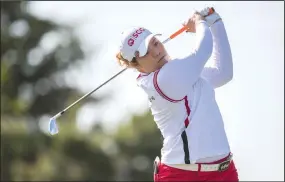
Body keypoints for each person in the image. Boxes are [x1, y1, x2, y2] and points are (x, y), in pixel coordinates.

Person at [115, 7, 238, 182]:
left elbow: (223, 73)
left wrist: (216, 23)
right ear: (137, 65)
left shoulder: (182, 73)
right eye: (145, 53)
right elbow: (202, 51)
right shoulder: (162, 80)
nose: (156, 52)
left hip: (224, 172)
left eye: (155, 43)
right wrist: (199, 22)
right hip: (183, 175)